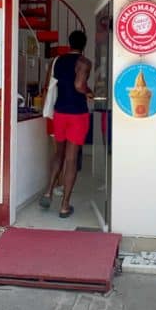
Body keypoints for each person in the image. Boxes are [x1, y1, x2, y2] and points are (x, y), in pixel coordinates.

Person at [39, 30, 93, 218]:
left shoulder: (57, 61)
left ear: (69, 43)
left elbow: (49, 84)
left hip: (59, 112)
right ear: (84, 45)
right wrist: (89, 91)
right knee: (71, 159)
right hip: (77, 114)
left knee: (58, 153)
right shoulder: (84, 62)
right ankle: (64, 205)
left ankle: (48, 191)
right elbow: (79, 85)